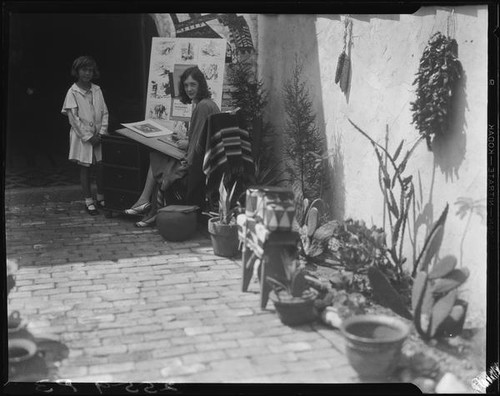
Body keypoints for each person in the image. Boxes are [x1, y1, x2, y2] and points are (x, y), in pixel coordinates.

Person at [125, 66, 220, 227]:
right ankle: (149, 207)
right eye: (186, 85)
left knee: (157, 157)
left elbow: (196, 149)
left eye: (193, 85)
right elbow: (202, 139)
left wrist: (185, 153)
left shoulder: (203, 106)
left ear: (201, 85)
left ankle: (147, 204)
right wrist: (185, 140)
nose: (189, 89)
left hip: (198, 166)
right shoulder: (206, 104)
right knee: (159, 157)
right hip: (206, 160)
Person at [61, 56, 109, 215]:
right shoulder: (72, 92)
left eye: (90, 70)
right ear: (77, 71)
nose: (87, 73)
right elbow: (73, 119)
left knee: (101, 167)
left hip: (98, 136)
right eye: (84, 70)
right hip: (83, 137)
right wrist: (89, 137)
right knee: (85, 167)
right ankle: (88, 200)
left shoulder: (97, 89)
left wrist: (101, 133)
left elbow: (105, 112)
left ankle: (101, 197)